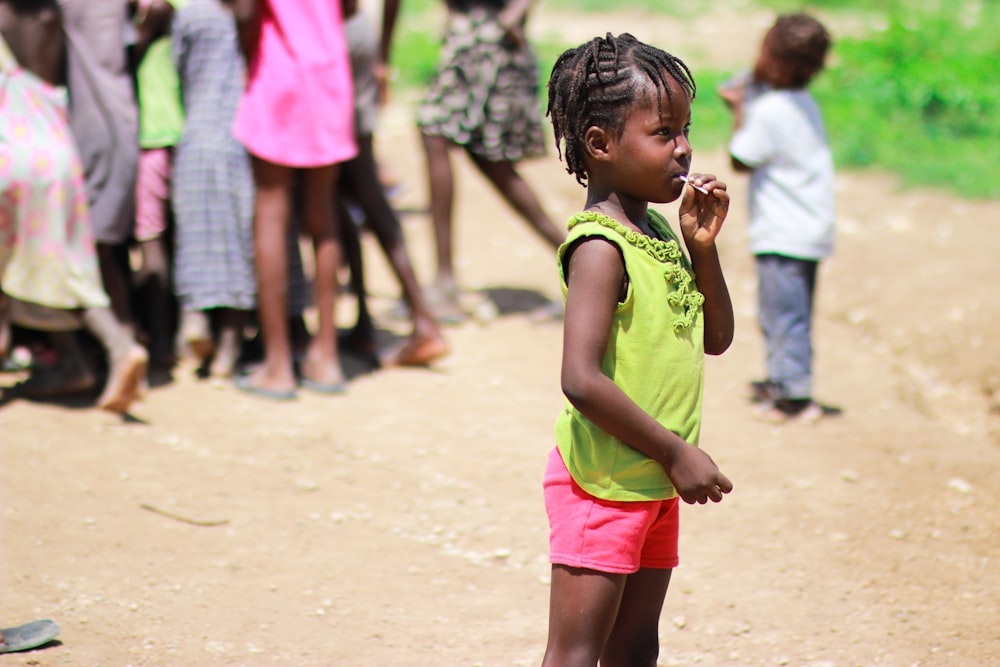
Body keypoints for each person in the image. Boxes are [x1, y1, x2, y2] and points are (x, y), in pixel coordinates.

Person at [541, 33, 735, 666]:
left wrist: (702, 250)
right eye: (663, 132)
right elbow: (580, 378)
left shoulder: (654, 230)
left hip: (647, 481)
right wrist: (676, 450)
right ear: (600, 145)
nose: (682, 148)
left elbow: (716, 338)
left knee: (634, 645)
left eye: (685, 130)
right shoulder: (601, 248)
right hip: (603, 485)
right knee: (576, 652)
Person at [0, 0, 148, 413]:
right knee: (60, 264)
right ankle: (102, 352)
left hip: (8, 151)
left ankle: (99, 353)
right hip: (56, 152)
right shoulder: (50, 14)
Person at [228, 0, 357, 400]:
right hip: (330, 74)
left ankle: (278, 364)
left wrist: (250, 48)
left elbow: (246, 12)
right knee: (323, 217)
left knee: (270, 214)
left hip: (278, 74)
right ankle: (327, 355)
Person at [416, 0, 564, 322]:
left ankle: (444, 281)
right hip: (479, 38)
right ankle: (577, 261)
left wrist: (513, 15)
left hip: (491, 44)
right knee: (488, 160)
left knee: (440, 133)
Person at [719, 12, 834, 424]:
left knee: (782, 314)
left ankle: (794, 397)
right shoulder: (804, 104)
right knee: (792, 311)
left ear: (774, 61)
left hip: (783, 233)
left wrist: (738, 109)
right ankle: (784, 379)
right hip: (808, 229)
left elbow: (740, 158)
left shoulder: (768, 111)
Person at [337, 0, 448, 367]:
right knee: (341, 191)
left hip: (333, 40)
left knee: (361, 189)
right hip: (349, 37)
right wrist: (382, 53)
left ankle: (422, 321)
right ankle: (368, 322)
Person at [170, 0, 255, 379]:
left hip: (199, 135)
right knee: (241, 241)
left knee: (197, 237)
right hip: (247, 135)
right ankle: (229, 349)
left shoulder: (191, 14)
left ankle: (195, 320)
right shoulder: (252, 14)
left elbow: (180, 71)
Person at [58, 0, 142, 365]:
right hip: (120, 124)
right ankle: (120, 344)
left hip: (89, 131)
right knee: (104, 253)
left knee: (79, 255)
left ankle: (111, 350)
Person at [129, 0, 188, 379]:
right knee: (176, 239)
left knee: (151, 242)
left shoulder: (152, 10)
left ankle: (163, 340)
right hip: (183, 131)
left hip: (151, 136)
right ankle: (182, 332)